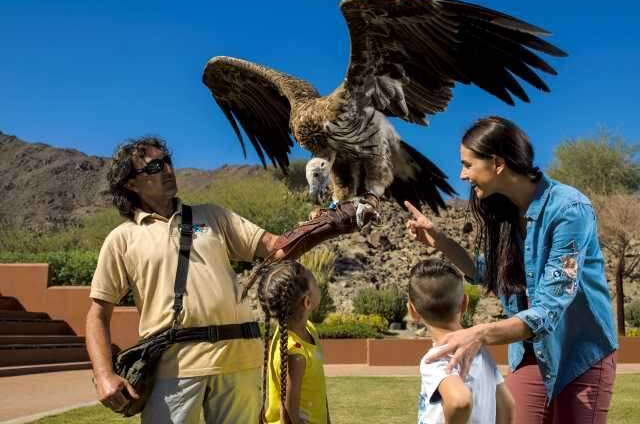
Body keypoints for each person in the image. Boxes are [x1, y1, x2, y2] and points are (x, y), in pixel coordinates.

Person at [85, 136, 351, 423]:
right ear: (130, 183)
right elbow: (98, 314)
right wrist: (103, 375)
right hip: (175, 370)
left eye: (168, 162)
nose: (167, 170)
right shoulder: (122, 239)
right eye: (154, 167)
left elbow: (277, 247)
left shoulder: (212, 216)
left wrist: (327, 225)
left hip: (239, 362)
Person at [404, 116, 618, 423]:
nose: (463, 175)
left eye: (468, 164)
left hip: (580, 354)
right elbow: (486, 271)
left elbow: (550, 307)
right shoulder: (503, 210)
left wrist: (479, 333)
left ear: (497, 164)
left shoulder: (570, 210)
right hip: (531, 353)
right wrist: (439, 240)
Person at [408, 259, 514, 424]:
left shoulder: (435, 359)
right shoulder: (480, 352)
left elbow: (459, 402)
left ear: (412, 310)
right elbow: (507, 405)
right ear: (465, 303)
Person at [256, 260, 330, 424]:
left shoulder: (308, 329)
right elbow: (288, 414)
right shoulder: (294, 354)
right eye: (315, 284)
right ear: (307, 302)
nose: (319, 287)